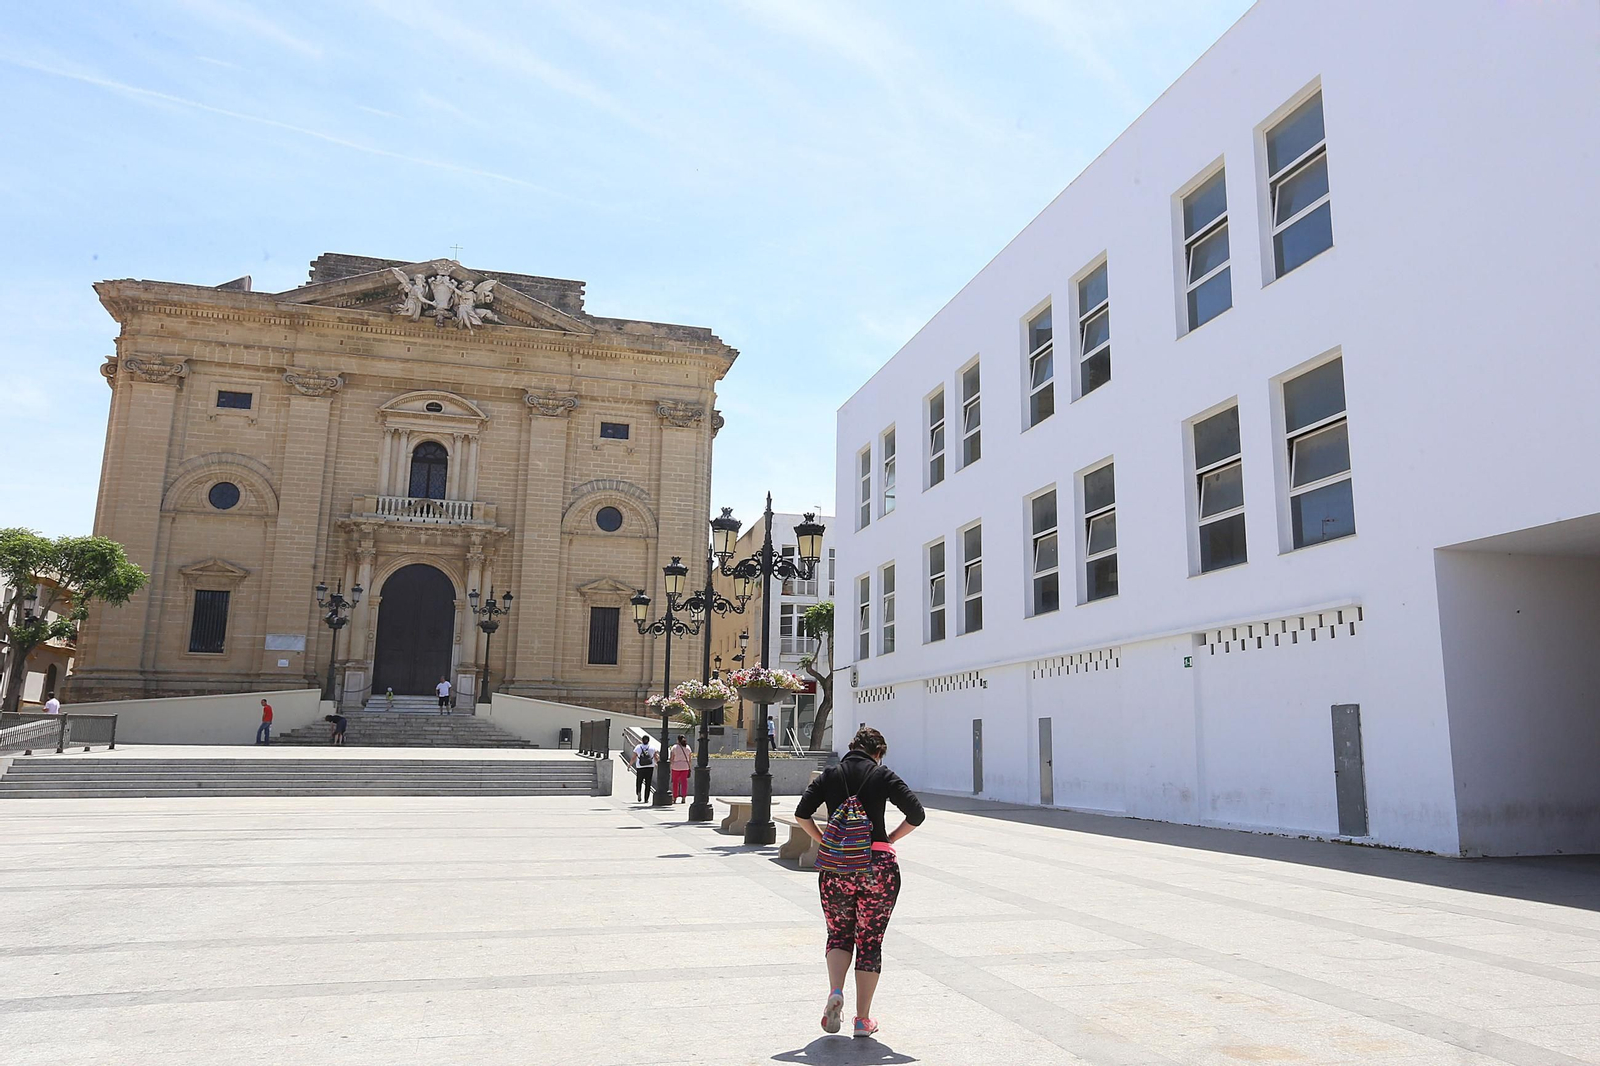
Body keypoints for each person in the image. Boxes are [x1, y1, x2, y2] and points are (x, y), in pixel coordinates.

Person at [795, 725, 925, 1040]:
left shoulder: (830, 774)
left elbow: (802, 813)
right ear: (877, 752)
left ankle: (835, 992)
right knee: (870, 942)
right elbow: (916, 814)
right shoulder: (883, 776)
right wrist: (890, 838)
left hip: (837, 869)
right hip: (878, 868)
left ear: (853, 747)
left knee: (839, 935)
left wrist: (824, 840)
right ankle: (862, 1020)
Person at [669, 735, 693, 803]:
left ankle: (675, 797)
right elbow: (690, 759)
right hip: (685, 766)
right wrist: (689, 767)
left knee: (675, 782)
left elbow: (672, 758)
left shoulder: (674, 747)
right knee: (684, 782)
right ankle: (684, 797)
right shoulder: (688, 747)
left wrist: (671, 765)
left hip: (676, 766)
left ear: (678, 740)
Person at [633, 737, 656, 802]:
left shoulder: (638, 747)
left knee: (639, 781)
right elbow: (656, 756)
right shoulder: (652, 747)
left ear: (642, 740)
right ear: (648, 740)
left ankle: (639, 792)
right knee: (648, 783)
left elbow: (634, 757)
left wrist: (629, 765)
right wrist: (657, 763)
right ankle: (646, 799)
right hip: (650, 766)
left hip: (640, 766)